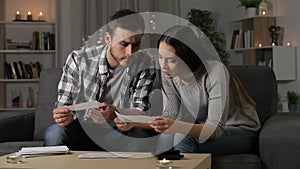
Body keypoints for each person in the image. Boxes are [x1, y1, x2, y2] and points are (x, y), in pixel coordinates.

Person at [43, 9, 158, 152]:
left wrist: (114, 112)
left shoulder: (145, 62)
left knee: (141, 135)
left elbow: (141, 111)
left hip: (119, 132)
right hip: (82, 130)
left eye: (136, 44)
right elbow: (63, 106)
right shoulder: (79, 59)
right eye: (123, 44)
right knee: (55, 133)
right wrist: (63, 116)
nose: (130, 52)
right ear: (108, 39)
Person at [148, 25, 261, 155]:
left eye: (171, 60)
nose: (163, 66)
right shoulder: (168, 73)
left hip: (241, 131)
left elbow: (215, 129)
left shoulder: (215, 71)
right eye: (160, 57)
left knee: (183, 137)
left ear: (187, 57)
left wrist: (177, 126)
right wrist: (135, 122)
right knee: (164, 138)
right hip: (204, 126)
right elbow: (170, 115)